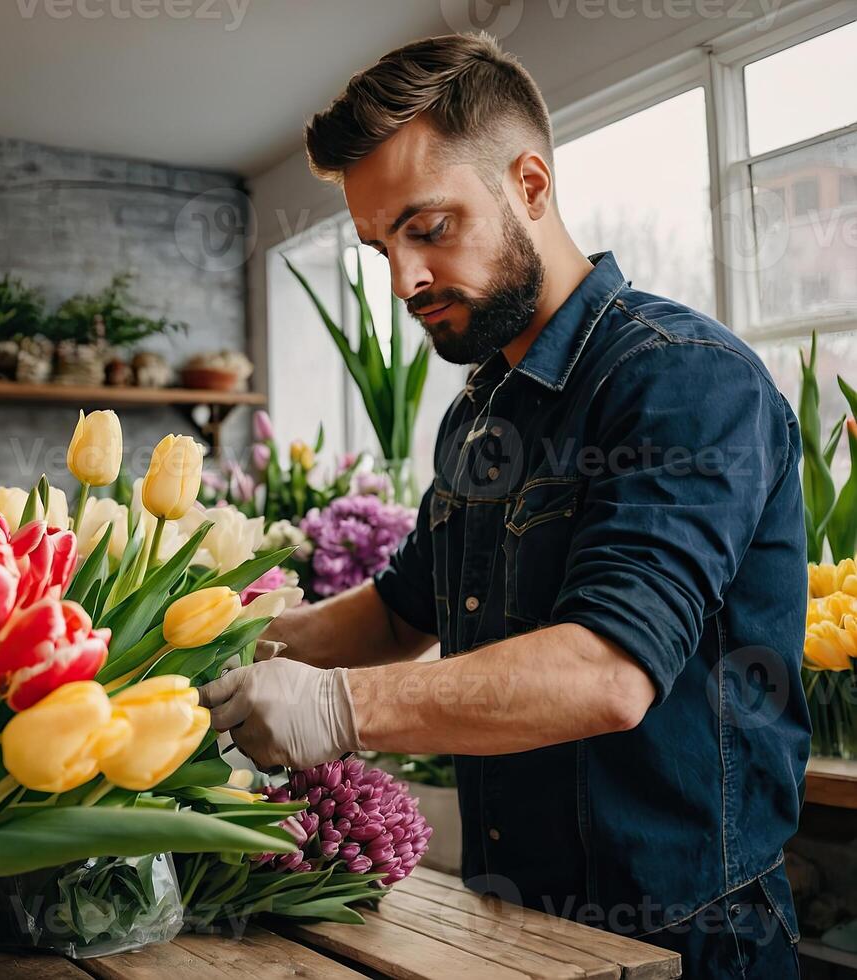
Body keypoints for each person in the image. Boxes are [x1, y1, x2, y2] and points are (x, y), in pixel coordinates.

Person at [199, 32, 808, 978]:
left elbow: (607, 673)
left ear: (528, 184)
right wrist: (227, 645)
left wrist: (336, 708)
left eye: (428, 228)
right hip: (511, 925)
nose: (402, 281)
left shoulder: (680, 381)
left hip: (681, 940)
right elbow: (403, 613)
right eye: (378, 245)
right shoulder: (481, 410)